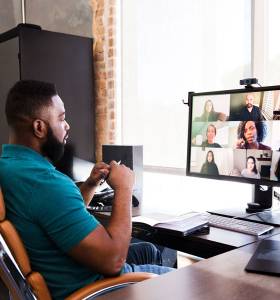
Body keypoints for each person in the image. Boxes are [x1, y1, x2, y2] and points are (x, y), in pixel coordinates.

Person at [0, 80, 172, 299]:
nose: (67, 125)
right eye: (61, 118)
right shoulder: (47, 183)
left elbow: (58, 220)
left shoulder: (9, 168)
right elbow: (114, 261)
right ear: (39, 127)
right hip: (96, 288)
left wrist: (90, 184)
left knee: (148, 249)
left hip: (66, 270)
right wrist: (125, 188)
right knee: (197, 280)